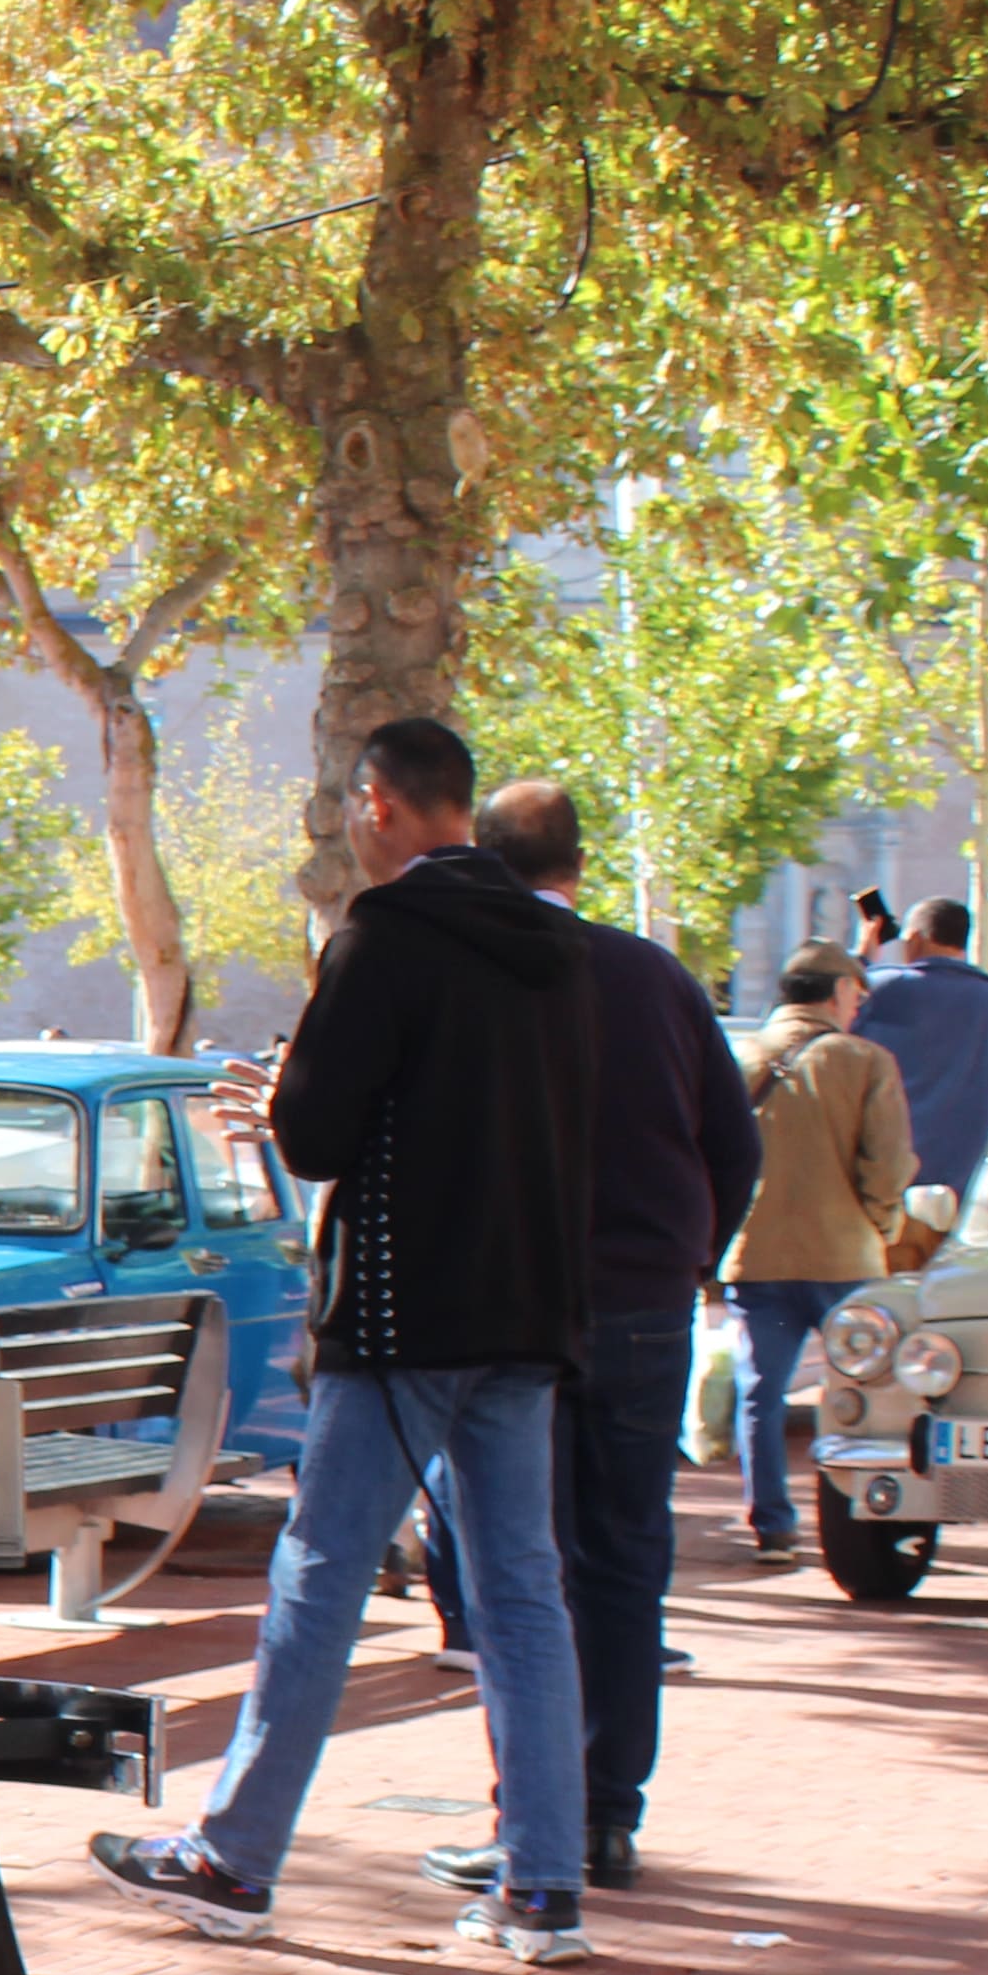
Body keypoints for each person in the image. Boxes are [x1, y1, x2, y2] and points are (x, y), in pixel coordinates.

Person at [96, 717, 601, 1964]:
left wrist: (282, 1102)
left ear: (379, 804)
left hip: (402, 1314)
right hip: (528, 1308)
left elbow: (319, 1137)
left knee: (320, 1578)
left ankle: (235, 1855)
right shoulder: (560, 950)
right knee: (522, 1595)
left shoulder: (382, 938)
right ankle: (544, 1885)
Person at [406, 782, 757, 1895]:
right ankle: (604, 1815)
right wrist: (692, 1255)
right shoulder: (656, 976)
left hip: (520, 1304)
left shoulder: (484, 974)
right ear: (579, 864)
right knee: (623, 1562)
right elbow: (732, 1142)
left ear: (484, 860)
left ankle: (535, 1819)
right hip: (645, 1299)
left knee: (522, 1569)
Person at [720, 942, 916, 1561]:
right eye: (856, 996)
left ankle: (772, 1524)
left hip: (758, 1257)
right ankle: (865, 1513)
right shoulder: (865, 1061)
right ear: (836, 994)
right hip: (845, 1259)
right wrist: (882, 1226)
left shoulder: (739, 1056)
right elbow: (887, 1167)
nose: (857, 1009)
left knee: (762, 1393)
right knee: (864, 1390)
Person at [853, 897, 988, 1221]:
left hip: (869, 1176)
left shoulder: (879, 989)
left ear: (915, 938)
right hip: (954, 1186)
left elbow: (823, 1019)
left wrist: (862, 959)